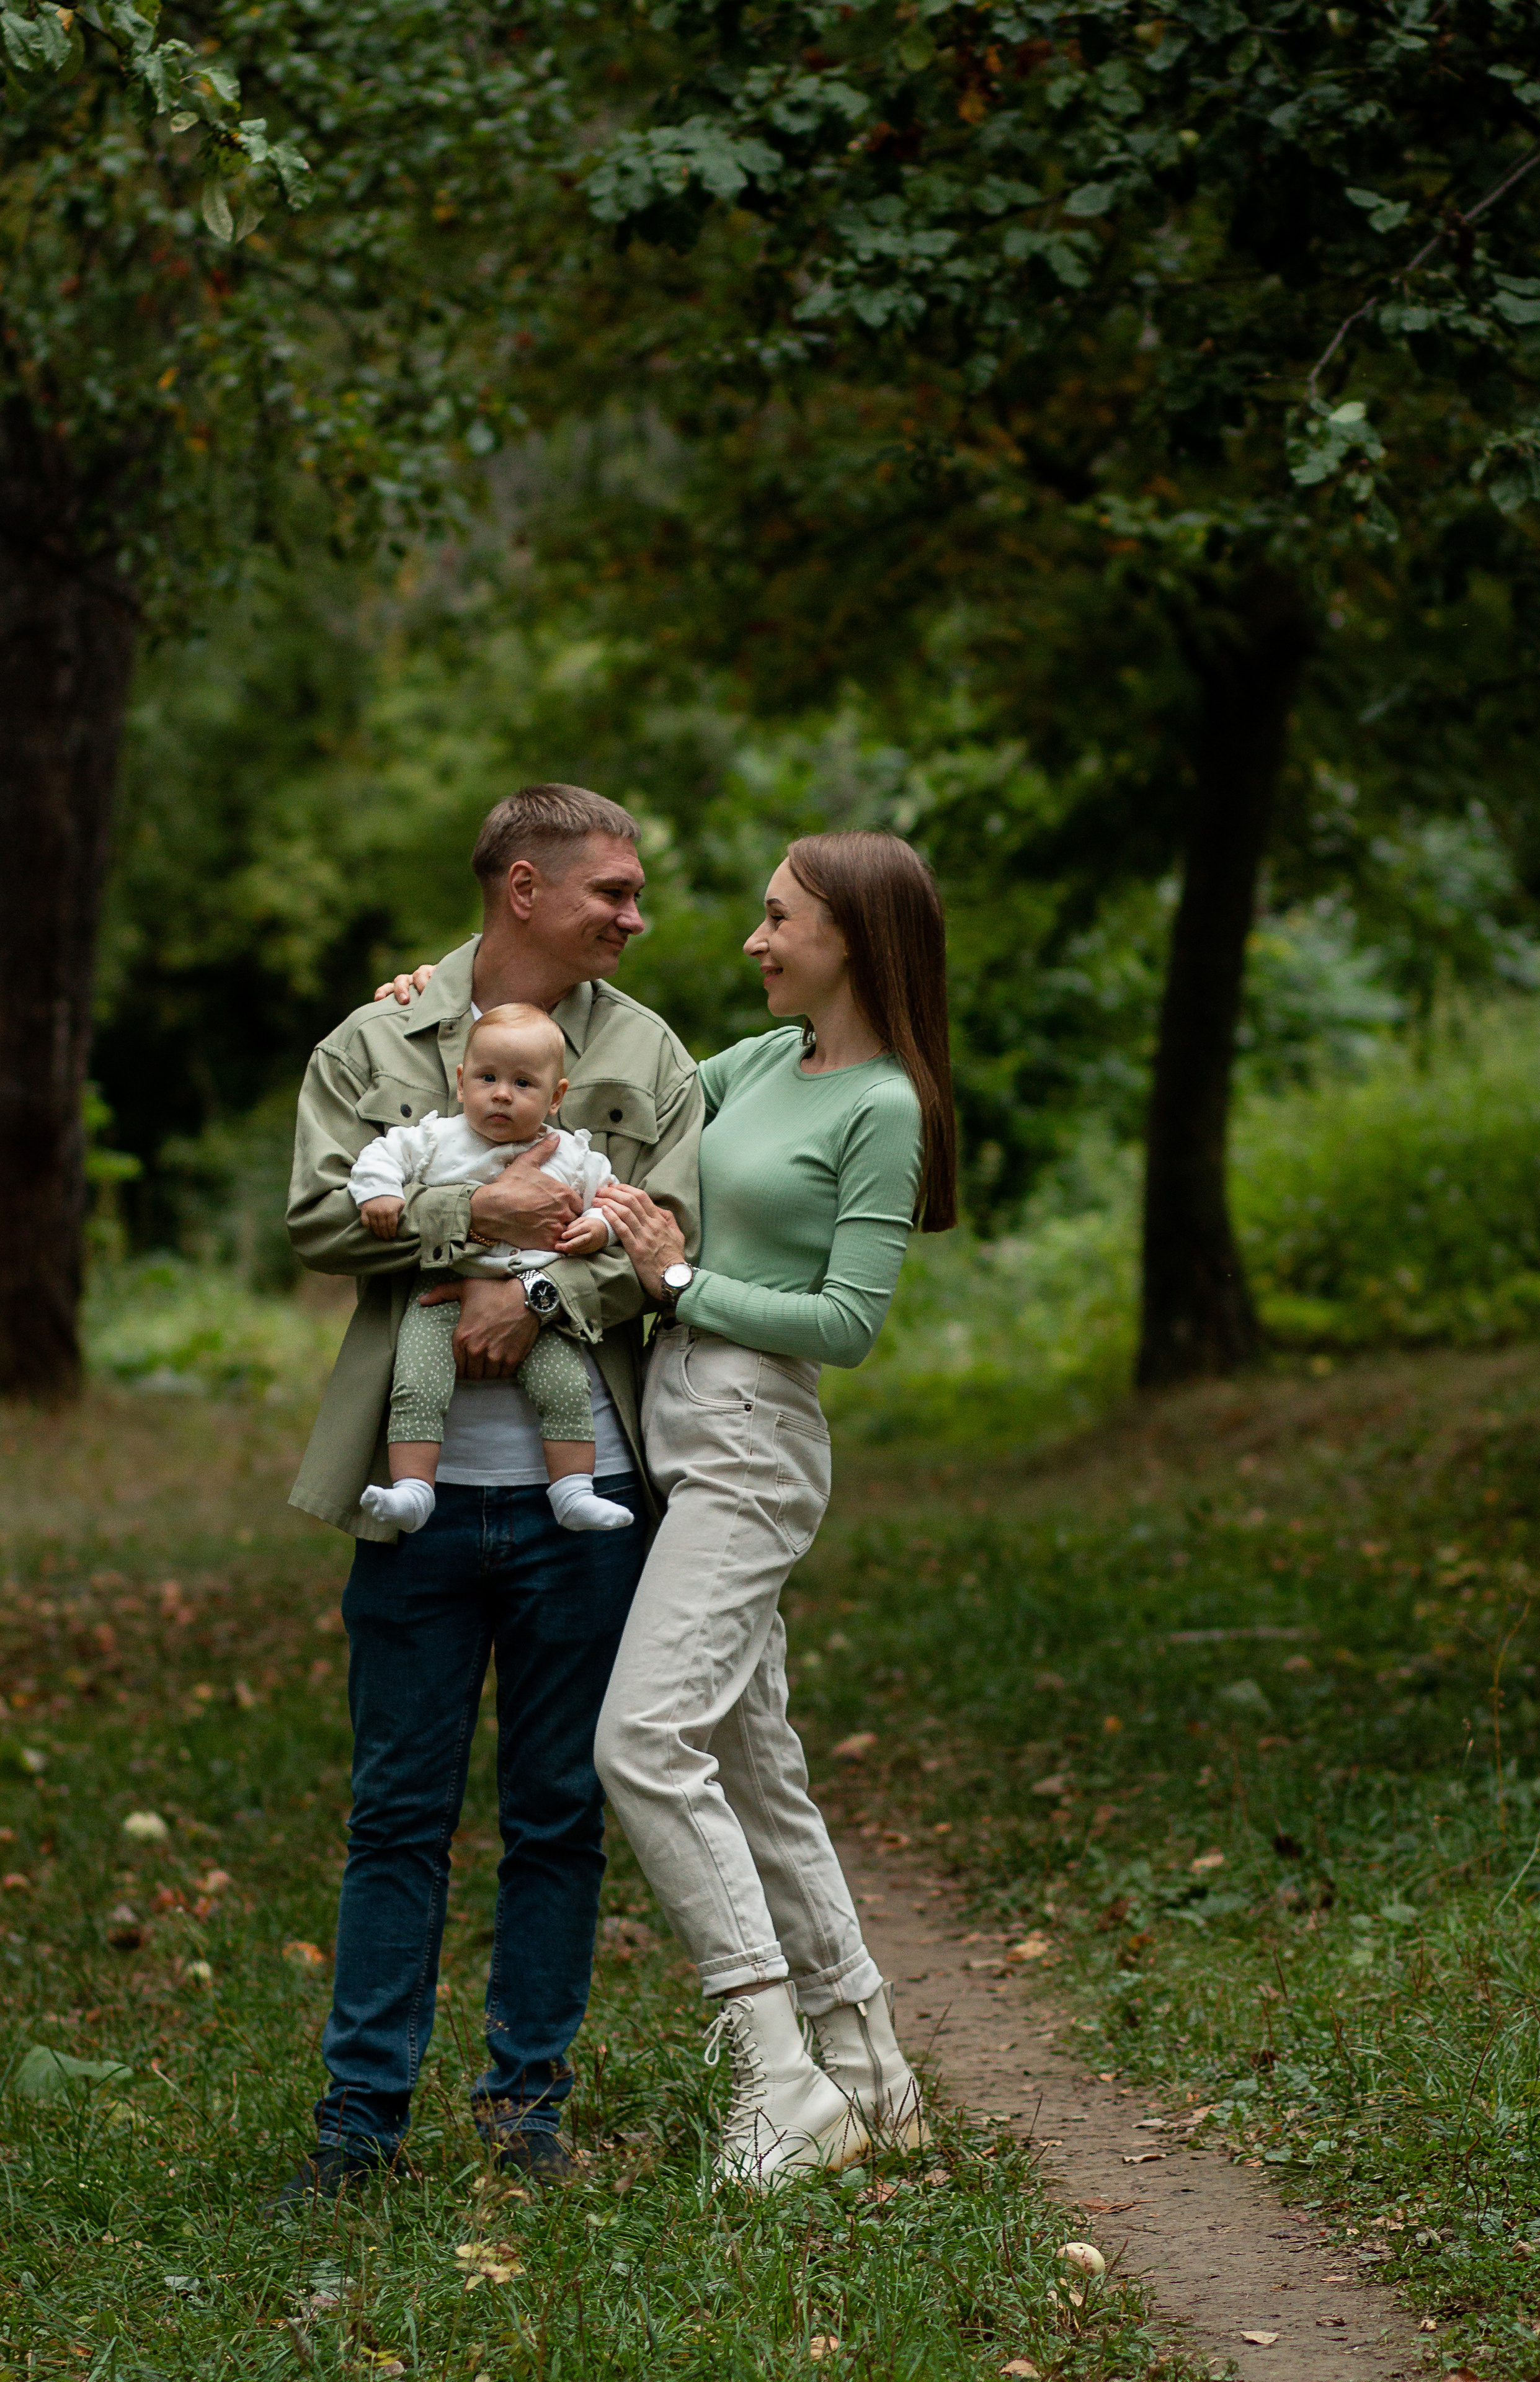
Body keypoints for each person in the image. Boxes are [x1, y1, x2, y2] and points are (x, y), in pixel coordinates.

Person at [281, 783, 702, 2201]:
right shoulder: (377, 1040)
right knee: (396, 1812)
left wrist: (533, 1298)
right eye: (613, 891)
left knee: (556, 1811)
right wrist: (476, 1217)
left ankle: (526, 2114)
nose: (636, 916)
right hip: (414, 1497)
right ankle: (358, 2131)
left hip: (584, 1502)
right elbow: (319, 1214)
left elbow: (672, 1234)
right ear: (524, 887)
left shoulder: (648, 1056)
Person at [590, 829, 958, 2190]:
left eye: (776, 917)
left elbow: (849, 1325)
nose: (754, 940)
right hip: (680, 1420)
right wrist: (449, 997)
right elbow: (611, 1094)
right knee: (756, 1768)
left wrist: (682, 1283)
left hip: (753, 1438)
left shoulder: (885, 1105)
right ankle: (869, 2071)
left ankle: (776, 2075)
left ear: (848, 935)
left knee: (643, 1741)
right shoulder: (759, 1063)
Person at [350, 1001, 633, 1537]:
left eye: (523, 1083)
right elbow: (378, 1158)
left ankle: (574, 1492)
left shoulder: (572, 1156)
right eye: (487, 1078)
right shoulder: (436, 1139)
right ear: (461, 1083)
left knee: (567, 1388)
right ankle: (413, 1489)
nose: (502, 1094)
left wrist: (599, 1228)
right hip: (441, 1289)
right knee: (416, 1380)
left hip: (538, 1303)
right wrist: (382, 1193)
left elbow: (616, 1202)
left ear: (556, 1097)